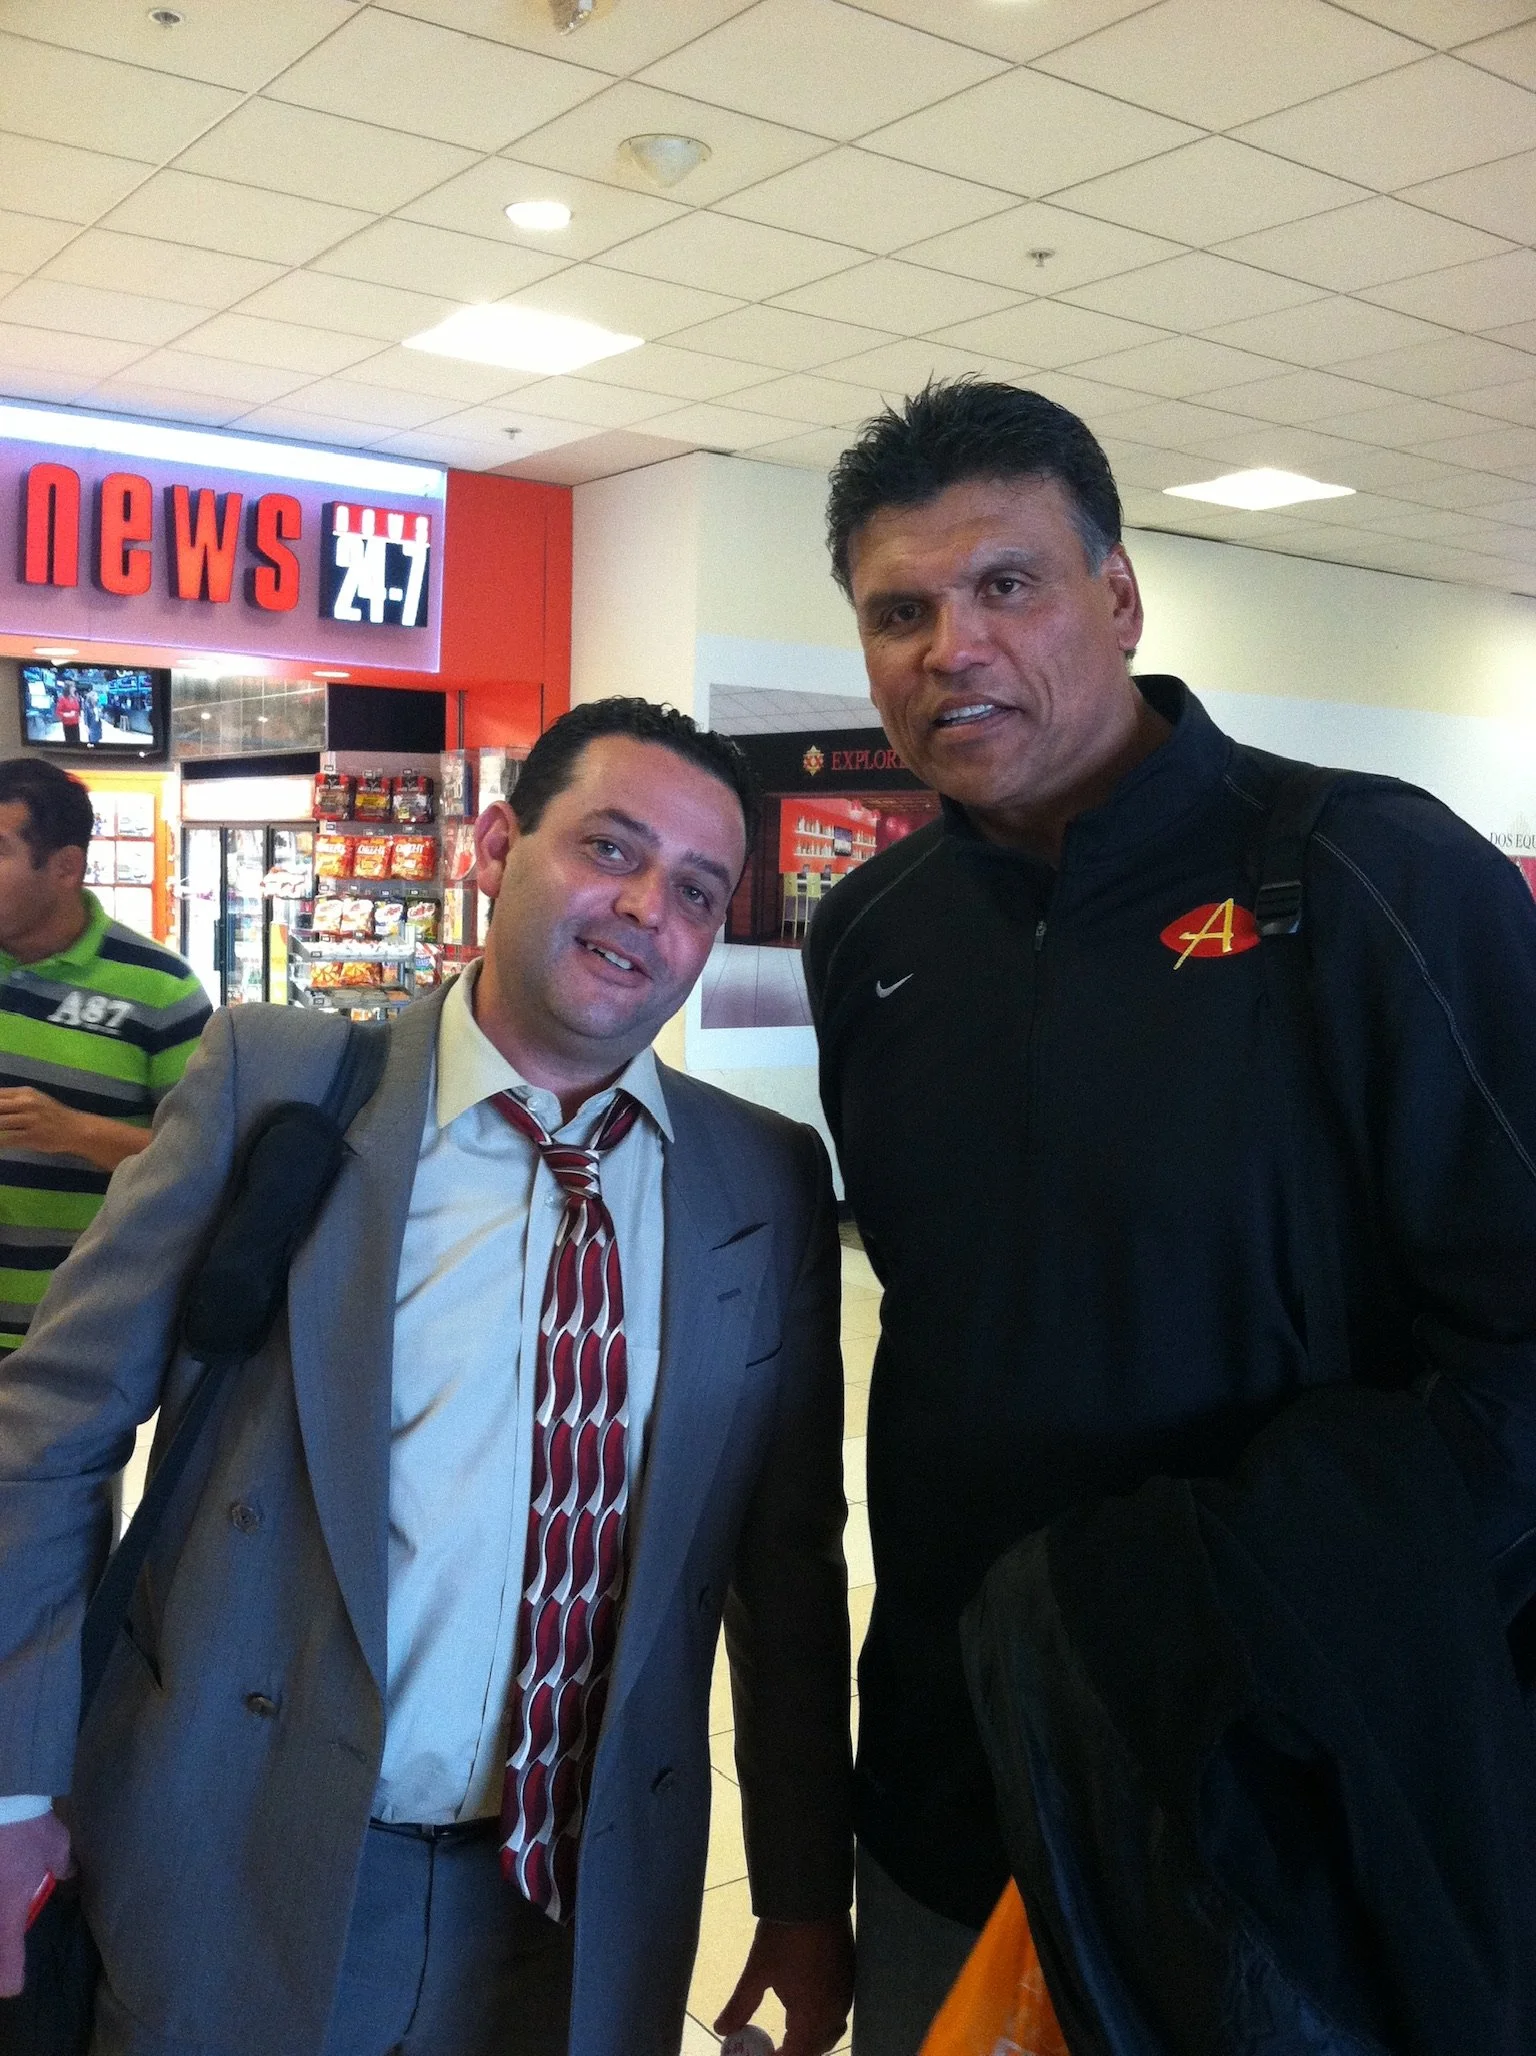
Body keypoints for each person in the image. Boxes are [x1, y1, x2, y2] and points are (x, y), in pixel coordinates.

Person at [805, 380, 1536, 2053]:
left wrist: (1291, 1641)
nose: (950, 646)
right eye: (898, 611)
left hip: (1281, 1798)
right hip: (948, 1778)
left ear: (1119, 598)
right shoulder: (872, 931)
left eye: (1009, 585)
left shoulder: (1361, 875)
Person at [0, 699, 854, 2056]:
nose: (646, 909)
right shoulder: (282, 1087)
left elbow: (786, 1565)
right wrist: (10, 1790)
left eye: (695, 889)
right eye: (609, 850)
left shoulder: (760, 1181)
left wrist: (807, 1889)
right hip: (238, 1855)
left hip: (575, 1916)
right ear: (497, 842)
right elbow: (48, 1433)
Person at [0, 756, 210, 1357]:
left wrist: (74, 1132)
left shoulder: (161, 990)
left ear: (66, 867)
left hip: (71, 1337)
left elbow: (204, 1163)